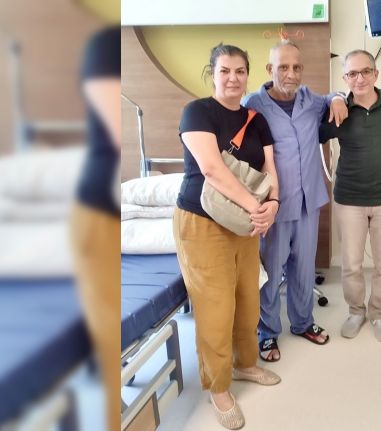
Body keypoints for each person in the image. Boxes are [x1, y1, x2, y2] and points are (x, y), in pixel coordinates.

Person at [173, 43, 281, 430]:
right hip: (202, 222)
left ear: (248, 74)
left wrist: (274, 203)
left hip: (245, 223)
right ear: (213, 74)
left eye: (239, 71)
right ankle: (218, 387)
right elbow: (212, 169)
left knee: (248, 298)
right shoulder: (197, 112)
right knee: (215, 309)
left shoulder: (256, 118)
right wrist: (256, 207)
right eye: (225, 71)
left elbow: (269, 167)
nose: (233, 78)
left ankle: (245, 364)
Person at [243, 40, 347, 361]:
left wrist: (338, 97)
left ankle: (302, 323)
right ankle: (267, 332)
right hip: (273, 203)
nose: (291, 74)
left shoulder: (309, 99)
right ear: (269, 69)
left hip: (308, 200)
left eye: (297, 67)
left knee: (303, 268)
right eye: (283, 67)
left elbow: (331, 97)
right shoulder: (253, 103)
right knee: (272, 273)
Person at [319, 50, 381, 342]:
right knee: (352, 264)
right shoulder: (340, 107)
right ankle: (356, 312)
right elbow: (317, 134)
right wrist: (334, 98)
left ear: (376, 74)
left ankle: (379, 314)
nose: (359, 79)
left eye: (365, 71)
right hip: (349, 199)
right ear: (345, 78)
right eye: (352, 74)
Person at [70, 26, 121, 431]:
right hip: (98, 213)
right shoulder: (105, 45)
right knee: (108, 336)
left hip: (109, 209)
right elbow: (116, 131)